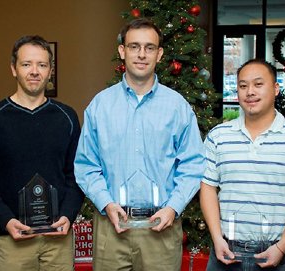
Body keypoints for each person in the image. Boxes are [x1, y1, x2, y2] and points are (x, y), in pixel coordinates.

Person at [74, 18, 205, 271]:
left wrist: (173, 208)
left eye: (149, 47)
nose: (141, 54)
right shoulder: (100, 106)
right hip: (112, 225)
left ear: (160, 54)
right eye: (134, 46)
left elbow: (193, 165)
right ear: (122, 52)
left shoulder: (177, 107)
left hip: (161, 226)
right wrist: (106, 204)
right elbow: (86, 165)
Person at [200, 58, 285, 271]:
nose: (250, 92)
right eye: (243, 86)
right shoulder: (218, 136)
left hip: (275, 253)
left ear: (276, 89)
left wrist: (282, 247)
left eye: (258, 84)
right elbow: (207, 187)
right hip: (225, 252)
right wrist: (216, 238)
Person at [0, 35, 84, 271]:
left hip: (58, 238)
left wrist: (68, 214)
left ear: (50, 70)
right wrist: (6, 221)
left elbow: (76, 173)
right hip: (12, 238)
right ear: (13, 69)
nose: (34, 71)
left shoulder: (67, 117)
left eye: (42, 65)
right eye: (26, 64)